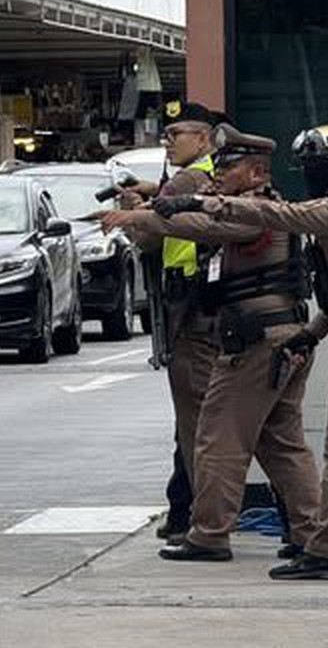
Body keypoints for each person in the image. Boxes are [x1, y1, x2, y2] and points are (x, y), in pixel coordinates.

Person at [158, 125, 328, 579]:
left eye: (309, 168)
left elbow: (280, 217)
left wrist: (197, 201)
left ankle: (322, 554)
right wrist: (313, 334)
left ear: (324, 170)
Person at [103, 124, 322, 561]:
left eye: (229, 166)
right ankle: (308, 532)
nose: (218, 174)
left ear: (257, 173)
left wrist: (138, 216)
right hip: (280, 338)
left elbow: (198, 226)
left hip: (256, 343)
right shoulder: (260, 207)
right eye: (218, 164)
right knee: (281, 442)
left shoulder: (254, 211)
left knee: (217, 437)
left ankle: (209, 534)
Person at [119, 100, 221, 541]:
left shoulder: (188, 177)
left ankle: (201, 520)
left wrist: (130, 214)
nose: (168, 140)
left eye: (176, 132)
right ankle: (184, 508)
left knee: (194, 421)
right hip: (201, 306)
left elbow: (146, 239)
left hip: (192, 309)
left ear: (201, 138)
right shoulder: (209, 172)